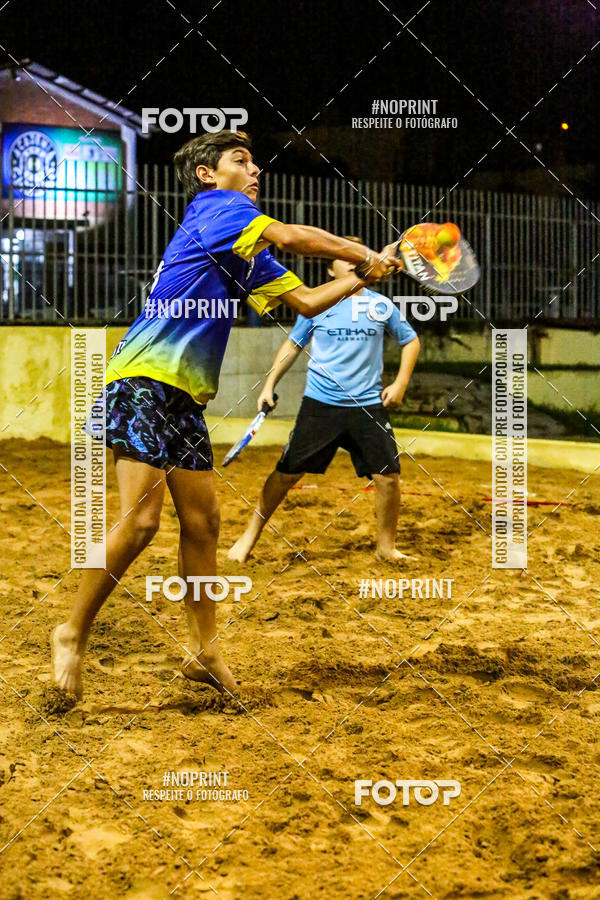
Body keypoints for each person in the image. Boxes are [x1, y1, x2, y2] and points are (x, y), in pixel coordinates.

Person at [51, 131, 403, 699]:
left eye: (255, 160)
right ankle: (71, 632)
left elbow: (308, 302)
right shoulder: (219, 208)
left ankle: (204, 648)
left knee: (204, 524)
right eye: (241, 159)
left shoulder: (242, 246)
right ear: (207, 175)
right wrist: (361, 253)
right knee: (141, 523)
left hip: (186, 398)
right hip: (142, 379)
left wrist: (361, 277)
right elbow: (293, 236)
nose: (255, 169)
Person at [228, 237, 420, 564]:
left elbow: (411, 340)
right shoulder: (316, 304)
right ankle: (248, 538)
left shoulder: (380, 305)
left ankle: (386, 547)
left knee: (388, 477)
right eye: (342, 255)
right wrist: (268, 384)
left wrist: (400, 383)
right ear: (331, 269)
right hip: (321, 405)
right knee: (286, 474)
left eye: (358, 253)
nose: (352, 259)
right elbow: (292, 347)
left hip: (367, 406)